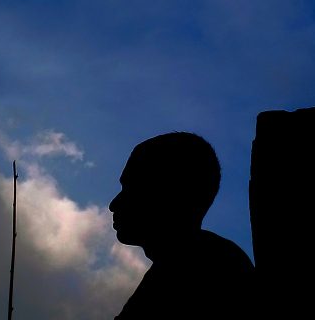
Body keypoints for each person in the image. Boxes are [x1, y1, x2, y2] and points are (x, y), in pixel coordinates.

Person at [109, 132, 254, 319]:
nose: (114, 204)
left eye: (131, 188)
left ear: (169, 193)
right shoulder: (184, 264)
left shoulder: (200, 267)